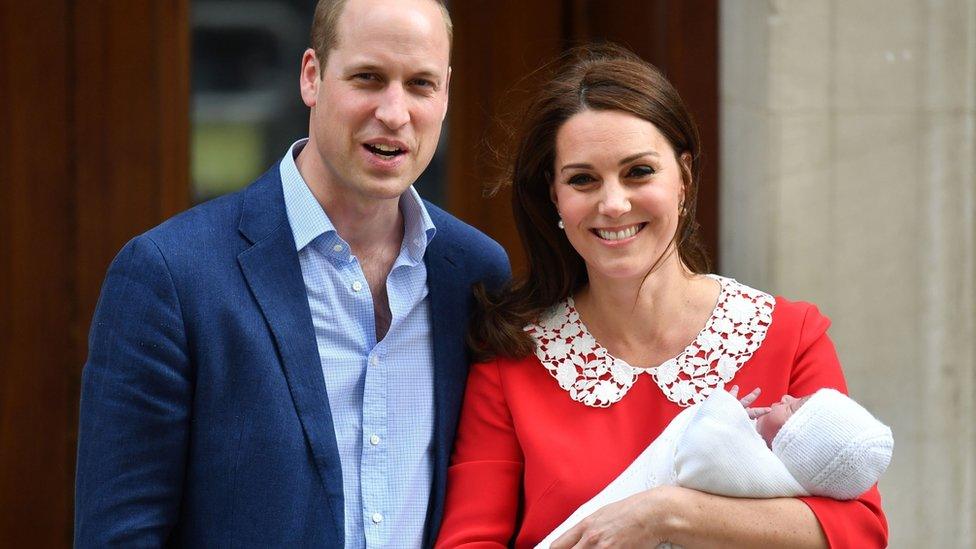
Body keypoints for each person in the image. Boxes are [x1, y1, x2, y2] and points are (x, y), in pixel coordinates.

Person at [74, 0, 509, 546]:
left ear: (445, 93)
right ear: (312, 76)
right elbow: (120, 535)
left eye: (420, 84)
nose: (395, 112)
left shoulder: (474, 274)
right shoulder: (171, 276)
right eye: (368, 78)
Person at [435, 44, 888, 548]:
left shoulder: (790, 336)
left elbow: (859, 532)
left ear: (684, 178)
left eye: (638, 172)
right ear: (555, 197)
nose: (613, 203)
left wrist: (669, 513)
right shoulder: (512, 362)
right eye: (583, 179)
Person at [538, 387, 894, 547]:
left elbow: (701, 452)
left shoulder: (759, 475)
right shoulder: (772, 477)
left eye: (795, 407)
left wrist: (728, 410)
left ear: (796, 443)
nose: (785, 396)